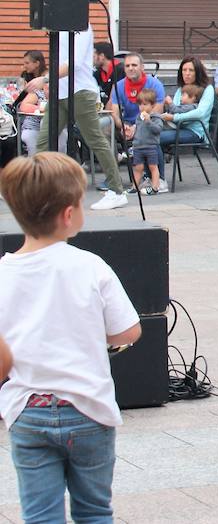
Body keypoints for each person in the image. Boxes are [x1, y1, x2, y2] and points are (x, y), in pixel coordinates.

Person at [0, 153, 142, 522]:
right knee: (94, 511)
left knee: (40, 515)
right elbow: (128, 330)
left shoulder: (3, 274)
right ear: (68, 214)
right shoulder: (91, 266)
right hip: (88, 410)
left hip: (27, 410)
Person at [34, 26, 129, 210]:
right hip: (59, 92)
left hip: (80, 92)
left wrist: (45, 79)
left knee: (94, 139)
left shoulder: (81, 27)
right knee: (44, 141)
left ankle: (116, 191)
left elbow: (75, 63)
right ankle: (39, 192)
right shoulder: (57, 28)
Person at [108, 52, 166, 145]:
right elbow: (114, 114)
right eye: (127, 66)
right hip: (126, 124)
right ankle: (116, 158)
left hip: (148, 123)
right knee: (104, 131)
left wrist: (136, 127)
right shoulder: (118, 86)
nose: (130, 68)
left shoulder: (155, 84)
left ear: (142, 67)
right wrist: (123, 127)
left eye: (134, 65)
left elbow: (156, 112)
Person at [161, 57, 215, 150]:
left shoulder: (208, 89)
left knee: (156, 138)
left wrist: (174, 117)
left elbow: (200, 113)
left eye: (191, 70)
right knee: (149, 134)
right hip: (177, 128)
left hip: (196, 132)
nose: (187, 73)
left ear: (197, 72)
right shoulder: (181, 89)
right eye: (184, 70)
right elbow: (175, 110)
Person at [129, 88, 168, 195]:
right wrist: (131, 132)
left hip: (151, 146)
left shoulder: (155, 117)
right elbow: (138, 129)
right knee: (138, 167)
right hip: (138, 147)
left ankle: (155, 187)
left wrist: (149, 121)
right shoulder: (138, 117)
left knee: (153, 167)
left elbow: (158, 130)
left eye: (145, 104)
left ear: (152, 105)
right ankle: (134, 187)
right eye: (140, 104)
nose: (142, 107)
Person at [16, 51, 47, 156]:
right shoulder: (28, 76)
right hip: (33, 119)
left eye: (27, 63)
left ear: (37, 63)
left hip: (41, 118)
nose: (24, 66)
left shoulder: (47, 78)